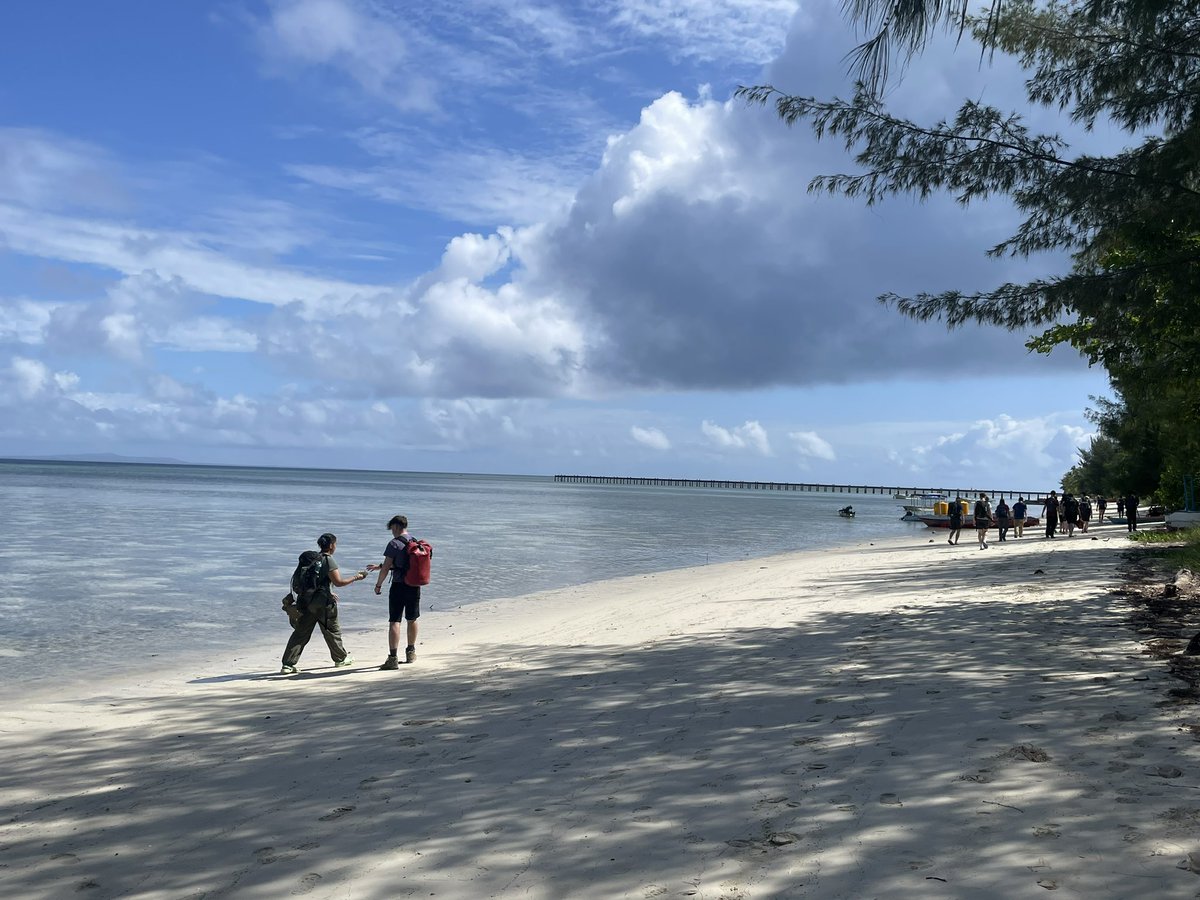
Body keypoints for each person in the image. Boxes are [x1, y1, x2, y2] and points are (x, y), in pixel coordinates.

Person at [280, 533, 367, 674]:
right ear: (332, 545)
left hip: (305, 602)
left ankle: (287, 665)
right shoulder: (328, 560)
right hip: (323, 604)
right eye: (335, 544)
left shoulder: (311, 560)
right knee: (332, 631)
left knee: (301, 633)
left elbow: (314, 582)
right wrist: (356, 577)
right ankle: (340, 659)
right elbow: (339, 582)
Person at [370, 514, 422, 669]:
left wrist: (378, 584)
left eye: (392, 528)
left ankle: (392, 659)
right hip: (414, 585)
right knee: (412, 619)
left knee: (395, 621)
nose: (392, 532)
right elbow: (404, 564)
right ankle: (411, 653)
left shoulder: (394, 544)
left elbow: (387, 567)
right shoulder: (415, 541)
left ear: (396, 526)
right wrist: (379, 566)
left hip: (399, 585)